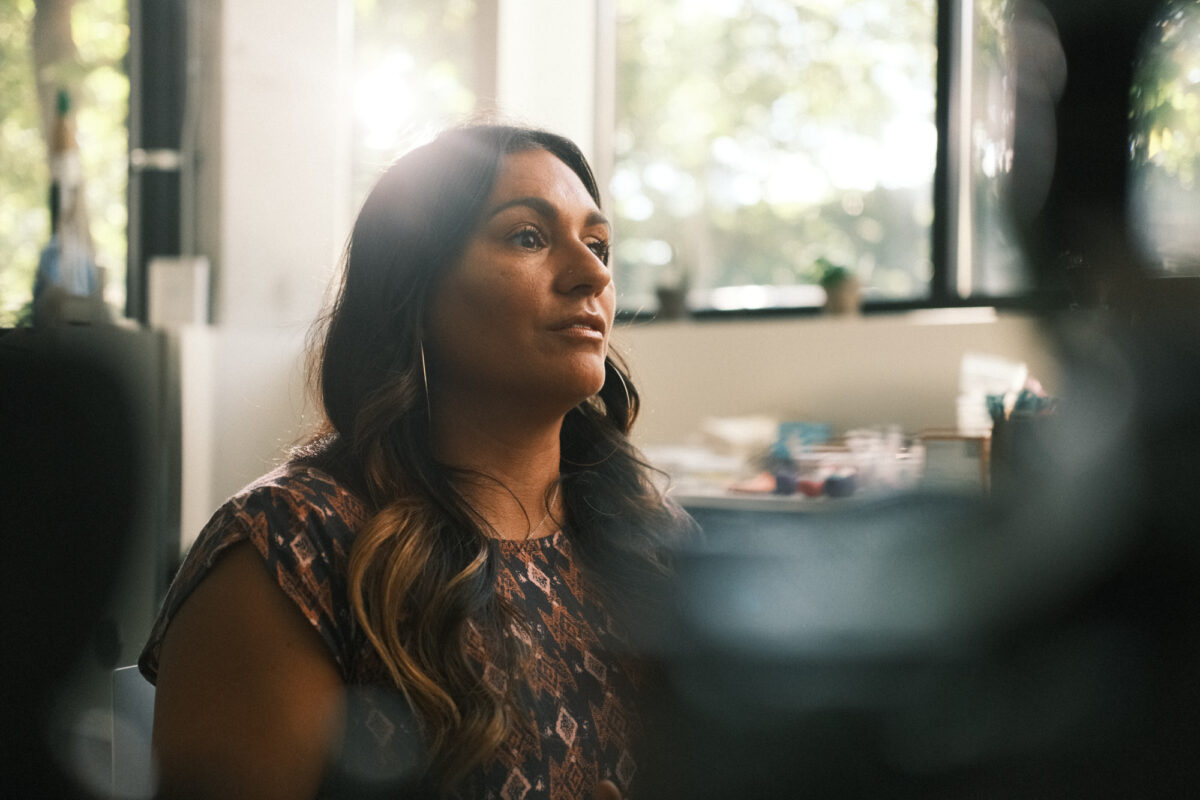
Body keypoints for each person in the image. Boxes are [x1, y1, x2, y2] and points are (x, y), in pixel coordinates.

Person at [138, 123, 693, 799]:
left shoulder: (645, 532)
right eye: (527, 235)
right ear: (414, 291)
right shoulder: (290, 551)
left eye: (599, 244)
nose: (594, 273)